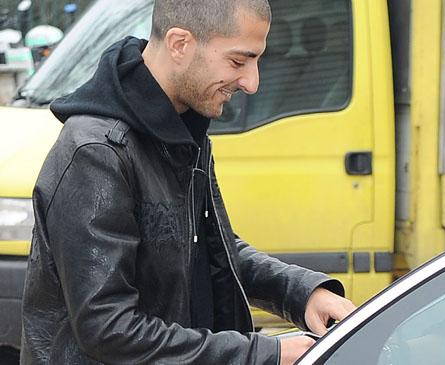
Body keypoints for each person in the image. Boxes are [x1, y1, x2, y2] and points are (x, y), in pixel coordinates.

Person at [21, 1, 356, 364]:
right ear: (180, 44)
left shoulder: (182, 129)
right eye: (238, 61)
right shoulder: (97, 151)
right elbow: (108, 328)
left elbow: (213, 250)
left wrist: (301, 293)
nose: (252, 82)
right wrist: (263, 354)